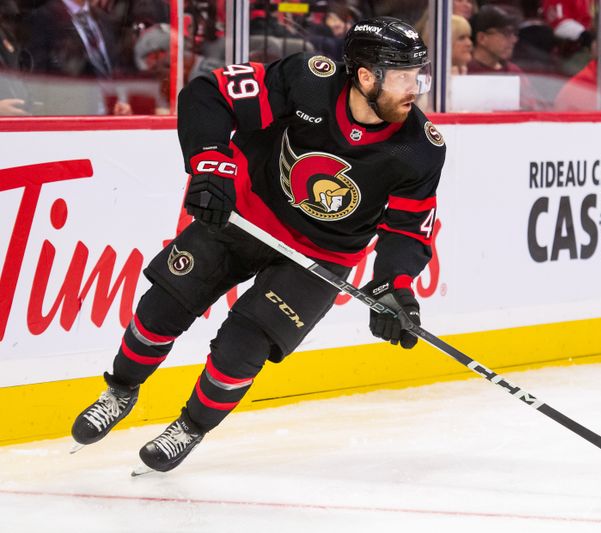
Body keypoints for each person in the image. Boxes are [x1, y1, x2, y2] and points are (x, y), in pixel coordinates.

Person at [70, 16, 446, 473]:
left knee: (242, 346)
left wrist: (395, 286)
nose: (416, 89)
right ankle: (122, 389)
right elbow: (210, 94)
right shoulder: (308, 81)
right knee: (163, 307)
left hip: (320, 257)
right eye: (406, 77)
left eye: (420, 76)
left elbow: (408, 229)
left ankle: (189, 427)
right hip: (243, 216)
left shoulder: (420, 148)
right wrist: (210, 165)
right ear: (366, 76)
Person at [23, 0, 133, 115]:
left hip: (110, 118)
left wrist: (121, 101)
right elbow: (37, 78)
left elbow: (116, 68)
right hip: (70, 119)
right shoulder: (42, 19)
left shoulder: (104, 19)